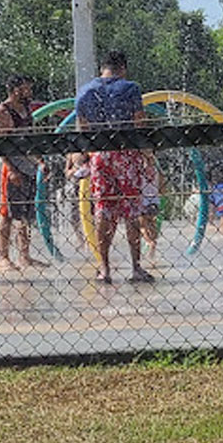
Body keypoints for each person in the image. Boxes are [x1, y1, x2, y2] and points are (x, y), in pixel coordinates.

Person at [74, 50, 154, 284]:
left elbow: (83, 130)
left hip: (100, 156)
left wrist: (91, 157)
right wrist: (147, 155)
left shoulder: (85, 92)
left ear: (102, 68)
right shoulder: (130, 88)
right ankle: (136, 268)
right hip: (126, 155)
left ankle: (104, 268)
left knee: (103, 210)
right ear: (123, 68)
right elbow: (139, 123)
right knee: (131, 210)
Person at [0, 74, 46, 271]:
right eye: (26, 88)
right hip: (9, 168)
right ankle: (3, 256)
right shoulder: (2, 112)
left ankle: (24, 256)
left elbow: (31, 138)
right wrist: (11, 169)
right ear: (15, 90)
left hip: (28, 166)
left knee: (25, 213)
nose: (30, 92)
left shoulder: (26, 110)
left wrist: (40, 161)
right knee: (7, 214)